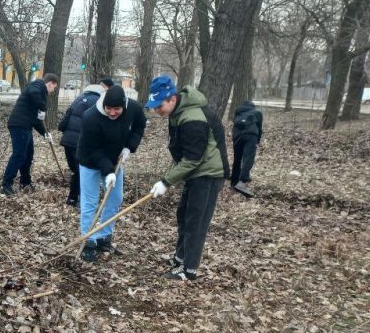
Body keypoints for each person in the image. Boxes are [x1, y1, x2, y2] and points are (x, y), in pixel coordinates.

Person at [145, 76, 228, 281]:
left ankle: (189, 270)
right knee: (184, 215)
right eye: (154, 107)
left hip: (208, 174)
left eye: (159, 106)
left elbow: (192, 159)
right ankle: (180, 258)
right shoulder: (178, 113)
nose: (157, 111)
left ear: (172, 99)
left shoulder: (193, 118)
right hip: (196, 173)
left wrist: (165, 182)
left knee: (195, 222)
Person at [75, 84, 147, 261]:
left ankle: (104, 238)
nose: (112, 112)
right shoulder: (90, 117)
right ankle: (88, 241)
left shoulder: (134, 109)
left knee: (115, 198)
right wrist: (108, 172)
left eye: (117, 109)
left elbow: (139, 126)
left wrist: (129, 147)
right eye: (109, 108)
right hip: (90, 161)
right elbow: (94, 149)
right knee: (90, 202)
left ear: (124, 105)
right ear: (104, 105)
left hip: (115, 160)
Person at [0, 72, 59, 195]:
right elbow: (33, 93)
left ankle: (25, 182)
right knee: (19, 155)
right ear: (50, 83)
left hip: (25, 126)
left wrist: (45, 133)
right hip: (19, 125)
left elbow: (36, 120)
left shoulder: (39, 91)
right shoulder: (37, 85)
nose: (53, 91)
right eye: (54, 87)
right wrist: (43, 108)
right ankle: (5, 185)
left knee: (28, 154)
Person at [58, 77, 113, 205]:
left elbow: (65, 119)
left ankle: (72, 199)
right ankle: (82, 201)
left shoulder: (79, 98)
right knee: (83, 172)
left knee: (77, 171)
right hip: (81, 142)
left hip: (67, 141)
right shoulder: (99, 102)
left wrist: (63, 130)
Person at [230, 100, 263, 197]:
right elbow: (259, 128)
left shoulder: (238, 112)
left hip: (237, 137)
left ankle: (233, 183)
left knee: (237, 159)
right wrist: (257, 141)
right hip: (251, 135)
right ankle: (242, 182)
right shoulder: (257, 113)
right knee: (248, 158)